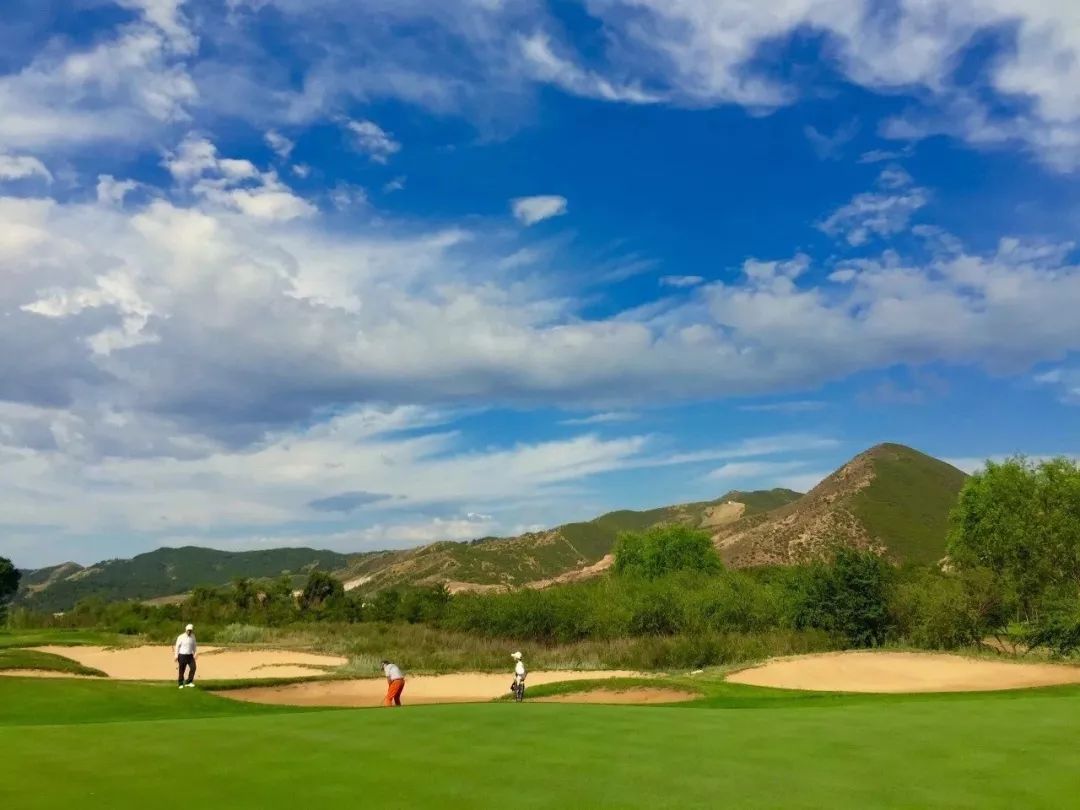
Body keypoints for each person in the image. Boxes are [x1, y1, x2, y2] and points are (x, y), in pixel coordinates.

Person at [174, 623, 197, 688]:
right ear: (186, 630)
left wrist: (195, 653)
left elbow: (194, 646)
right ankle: (180, 683)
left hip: (190, 655)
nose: (189, 631)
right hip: (182, 655)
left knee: (193, 667)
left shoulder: (193, 636)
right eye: (188, 630)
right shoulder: (181, 637)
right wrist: (176, 655)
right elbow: (177, 646)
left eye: (190, 630)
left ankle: (189, 682)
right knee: (182, 670)